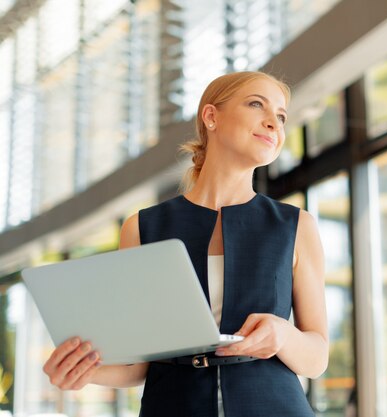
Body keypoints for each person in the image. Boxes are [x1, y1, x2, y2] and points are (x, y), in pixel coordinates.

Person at [41, 71, 329, 416]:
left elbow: (317, 357)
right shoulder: (143, 227)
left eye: (281, 116)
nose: (274, 123)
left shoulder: (296, 226)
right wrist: (80, 372)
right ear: (211, 117)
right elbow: (139, 364)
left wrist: (283, 335)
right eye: (257, 105)